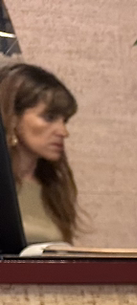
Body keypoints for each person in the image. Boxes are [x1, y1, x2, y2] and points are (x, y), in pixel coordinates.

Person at [0, 62, 79, 244]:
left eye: (64, 121)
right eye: (49, 117)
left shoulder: (53, 187)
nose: (63, 132)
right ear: (12, 117)